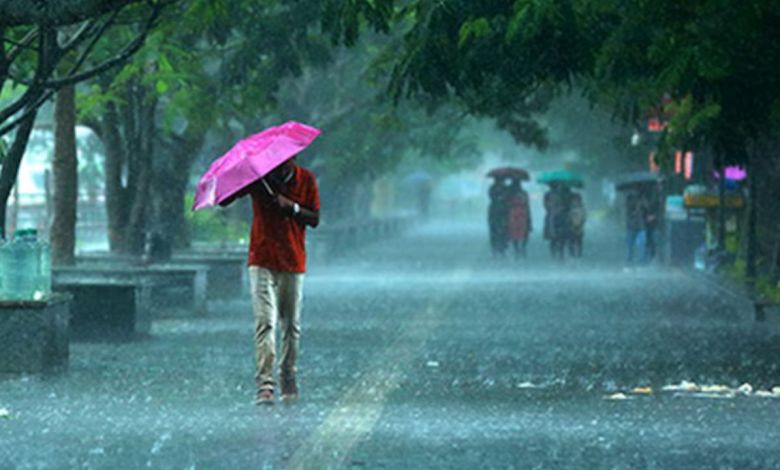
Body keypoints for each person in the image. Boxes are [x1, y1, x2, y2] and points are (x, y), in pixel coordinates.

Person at [220, 157, 320, 405]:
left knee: (291, 325)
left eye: (285, 162)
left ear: (294, 159)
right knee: (265, 322)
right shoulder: (259, 179)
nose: (279, 166)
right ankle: (265, 384)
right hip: (262, 258)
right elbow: (225, 200)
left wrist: (292, 207)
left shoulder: (305, 179)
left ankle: (288, 375)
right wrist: (239, 177)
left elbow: (315, 219)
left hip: (293, 260)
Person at [506, 178, 532, 259]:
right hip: (520, 214)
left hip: (515, 214)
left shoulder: (510, 194)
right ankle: (521, 248)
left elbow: (507, 204)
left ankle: (518, 248)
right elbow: (527, 204)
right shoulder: (522, 193)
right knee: (522, 231)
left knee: (516, 231)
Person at [488, 177, 511, 257]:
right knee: (494, 230)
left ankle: (502, 248)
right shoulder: (493, 188)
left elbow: (509, 197)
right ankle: (495, 248)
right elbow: (491, 196)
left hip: (503, 211)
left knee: (504, 230)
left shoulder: (506, 188)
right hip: (495, 212)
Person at [625, 190, 647, 265]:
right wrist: (637, 206)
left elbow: (647, 209)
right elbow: (631, 213)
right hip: (631, 226)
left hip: (641, 226)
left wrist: (643, 202)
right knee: (630, 246)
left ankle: (641, 262)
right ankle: (629, 261)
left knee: (642, 244)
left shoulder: (642, 199)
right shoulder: (629, 199)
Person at [567, 192, 586, 258]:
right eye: (573, 200)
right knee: (571, 241)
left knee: (579, 241)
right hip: (571, 227)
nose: (575, 202)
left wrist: (580, 225)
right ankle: (572, 254)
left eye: (576, 200)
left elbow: (583, 218)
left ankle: (578, 254)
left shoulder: (582, 209)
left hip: (579, 228)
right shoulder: (570, 209)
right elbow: (569, 218)